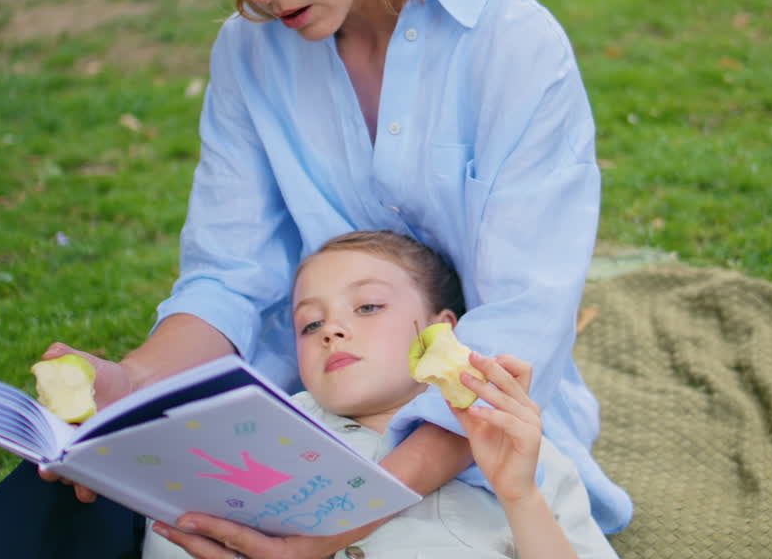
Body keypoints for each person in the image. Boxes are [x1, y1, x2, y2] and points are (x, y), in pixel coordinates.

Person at [0, 0, 631, 555]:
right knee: (57, 499)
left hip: (470, 446)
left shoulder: (513, 46)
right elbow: (229, 277)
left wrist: (339, 521)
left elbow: (519, 331)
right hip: (287, 422)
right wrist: (131, 381)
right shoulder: (247, 52)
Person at [143, 231, 618, 559]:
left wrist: (520, 498)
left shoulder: (518, 450)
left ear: (441, 330)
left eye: (368, 306)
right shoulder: (254, 438)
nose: (332, 329)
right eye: (309, 324)